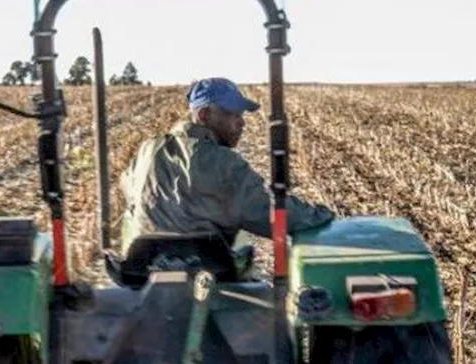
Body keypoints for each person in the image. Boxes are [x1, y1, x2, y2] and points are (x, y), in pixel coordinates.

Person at [119, 77, 335, 257]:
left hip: (142, 266)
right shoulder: (221, 162)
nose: (241, 123)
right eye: (233, 114)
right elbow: (267, 210)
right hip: (206, 268)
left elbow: (127, 185)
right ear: (204, 115)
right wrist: (318, 216)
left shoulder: (147, 149)